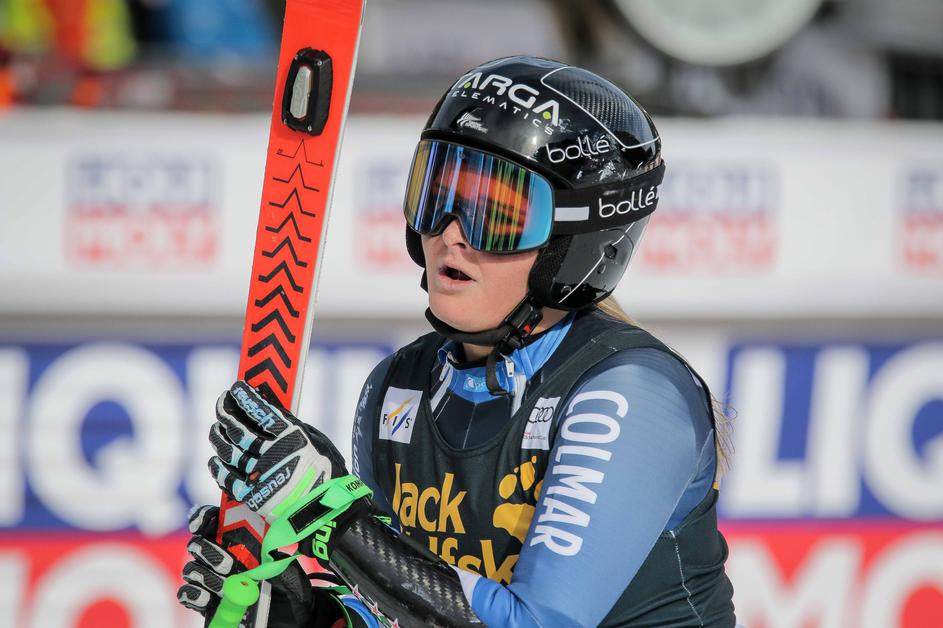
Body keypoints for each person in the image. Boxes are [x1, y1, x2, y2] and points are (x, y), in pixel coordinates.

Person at [178, 55, 737, 627]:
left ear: (576, 241)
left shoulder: (629, 392)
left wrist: (331, 517)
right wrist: (310, 619)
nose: (450, 234)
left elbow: (535, 623)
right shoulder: (399, 386)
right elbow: (405, 607)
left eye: (495, 212)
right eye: (436, 193)